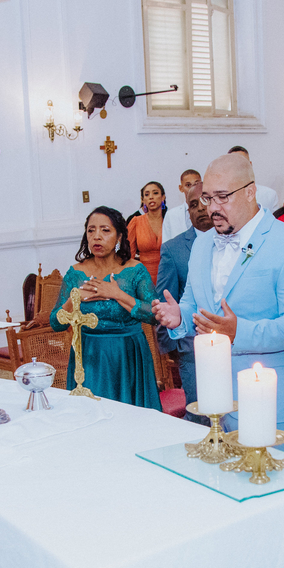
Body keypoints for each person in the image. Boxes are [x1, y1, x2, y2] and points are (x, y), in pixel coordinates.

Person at [152, 152, 284, 457]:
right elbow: (193, 303)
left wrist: (238, 332)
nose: (213, 208)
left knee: (274, 491)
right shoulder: (203, 242)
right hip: (216, 396)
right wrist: (180, 317)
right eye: (207, 198)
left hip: (273, 398)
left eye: (222, 197)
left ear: (250, 192)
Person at [52, 206, 161, 409]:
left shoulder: (134, 270)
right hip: (89, 357)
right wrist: (73, 299)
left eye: (105, 230)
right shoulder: (76, 273)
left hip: (128, 356)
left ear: (119, 236)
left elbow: (154, 315)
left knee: (130, 421)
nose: (97, 237)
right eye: (91, 231)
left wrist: (117, 294)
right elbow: (55, 323)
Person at [158, 187, 214, 425]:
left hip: (235, 348)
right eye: (193, 205)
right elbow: (166, 298)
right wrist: (174, 346)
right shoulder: (174, 249)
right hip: (192, 351)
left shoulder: (239, 242)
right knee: (201, 418)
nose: (200, 208)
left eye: (204, 201)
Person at [128, 181, 166, 285]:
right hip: (144, 277)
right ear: (143, 200)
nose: (151, 197)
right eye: (147, 194)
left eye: (155, 193)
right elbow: (128, 254)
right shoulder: (136, 222)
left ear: (163, 197)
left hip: (168, 274)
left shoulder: (170, 220)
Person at [227, 145, 280, 210]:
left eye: (242, 163)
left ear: (250, 164)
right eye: (234, 163)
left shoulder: (269, 195)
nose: (238, 167)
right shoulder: (221, 196)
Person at [162, 169, 201, 243]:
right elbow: (166, 244)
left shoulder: (209, 210)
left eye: (196, 184)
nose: (192, 188)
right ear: (181, 188)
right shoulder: (171, 215)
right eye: (188, 185)